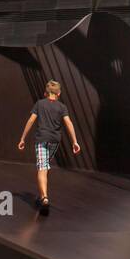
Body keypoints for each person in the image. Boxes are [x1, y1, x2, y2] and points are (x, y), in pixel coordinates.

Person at [18, 79, 80, 213]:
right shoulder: (62, 107)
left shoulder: (40, 104)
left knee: (42, 168)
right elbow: (69, 123)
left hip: (42, 139)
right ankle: (41, 196)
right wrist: (74, 141)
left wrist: (23, 138)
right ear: (59, 93)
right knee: (45, 166)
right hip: (54, 141)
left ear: (46, 93)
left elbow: (31, 120)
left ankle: (44, 198)